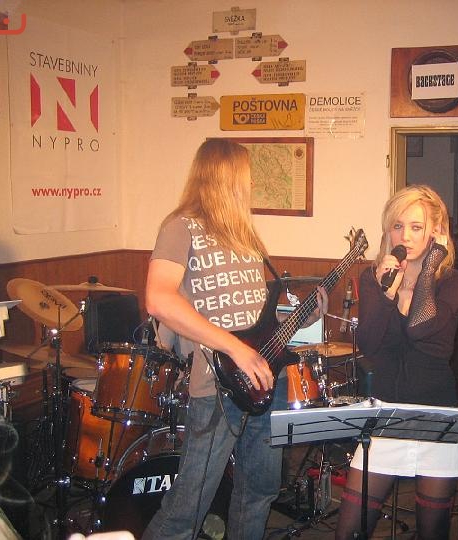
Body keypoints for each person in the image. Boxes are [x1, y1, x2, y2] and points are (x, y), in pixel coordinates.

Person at [141, 139, 326, 540]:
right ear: (226, 176)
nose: (251, 184)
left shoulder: (246, 237)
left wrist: (300, 317)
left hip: (266, 378)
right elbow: (158, 299)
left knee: (258, 493)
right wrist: (234, 348)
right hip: (218, 385)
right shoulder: (181, 226)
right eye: (247, 175)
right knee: (188, 507)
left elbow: (252, 319)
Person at [335, 185, 458, 540]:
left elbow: (421, 328)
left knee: (432, 532)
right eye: (398, 226)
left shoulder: (453, 282)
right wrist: (385, 293)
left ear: (435, 232)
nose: (405, 236)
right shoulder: (374, 278)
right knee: (349, 530)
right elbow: (368, 345)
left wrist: (428, 267)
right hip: (386, 414)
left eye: (416, 227)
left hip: (435, 415)